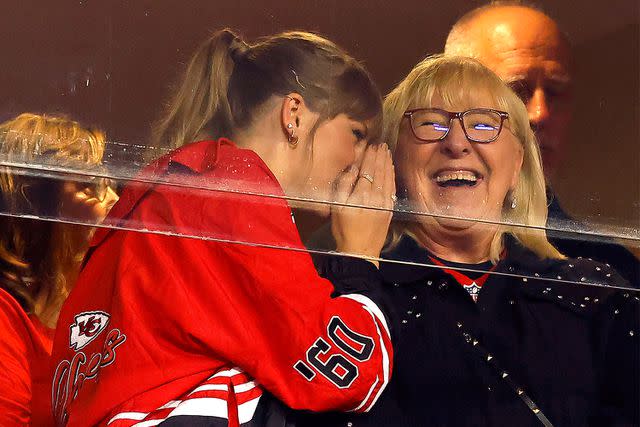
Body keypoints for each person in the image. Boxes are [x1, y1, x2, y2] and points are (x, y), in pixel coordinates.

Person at [50, 29, 396, 426]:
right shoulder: (235, 187)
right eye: (358, 134)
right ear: (294, 114)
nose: (362, 159)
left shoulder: (169, 185)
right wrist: (361, 257)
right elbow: (342, 375)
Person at [299, 56, 639, 427]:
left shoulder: (592, 293)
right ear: (391, 162)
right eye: (431, 123)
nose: (457, 143)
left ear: (517, 165)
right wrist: (356, 265)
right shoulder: (335, 291)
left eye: (482, 124)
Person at [444, 2, 639, 286]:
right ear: (447, 100)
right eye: (516, 90)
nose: (539, 113)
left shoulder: (610, 271)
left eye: (555, 92)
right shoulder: (384, 241)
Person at [0, 113, 118, 425]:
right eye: (89, 186)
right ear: (37, 208)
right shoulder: (6, 318)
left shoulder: (94, 311)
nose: (116, 202)